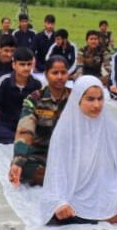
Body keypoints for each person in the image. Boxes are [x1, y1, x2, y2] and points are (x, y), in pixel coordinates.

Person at [39, 75, 117, 226]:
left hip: (106, 189)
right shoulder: (65, 131)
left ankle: (99, 216)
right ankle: (107, 218)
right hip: (73, 190)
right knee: (56, 211)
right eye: (90, 99)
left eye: (100, 99)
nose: (97, 105)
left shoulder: (112, 128)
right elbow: (57, 171)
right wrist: (60, 201)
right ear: (78, 100)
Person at [8, 56, 72, 187]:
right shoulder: (34, 99)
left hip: (69, 154)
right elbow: (25, 131)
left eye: (63, 72)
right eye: (55, 73)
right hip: (41, 154)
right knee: (24, 167)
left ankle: (61, 178)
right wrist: (18, 161)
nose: (60, 77)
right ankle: (62, 179)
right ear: (46, 75)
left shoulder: (76, 99)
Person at [0, 48, 42, 144]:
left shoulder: (37, 84)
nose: (26, 68)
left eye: (29, 64)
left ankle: (14, 139)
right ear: (14, 65)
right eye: (22, 64)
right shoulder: (4, 81)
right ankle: (20, 139)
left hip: (27, 125)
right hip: (6, 123)